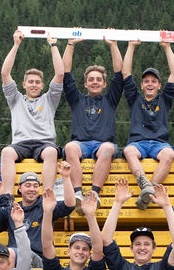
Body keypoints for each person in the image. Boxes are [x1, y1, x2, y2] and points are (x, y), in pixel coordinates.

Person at [62, 35, 124, 211]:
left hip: (102, 145)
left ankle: (95, 193)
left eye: (98, 79)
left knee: (108, 148)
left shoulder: (110, 100)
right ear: (86, 84)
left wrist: (113, 44)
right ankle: (78, 194)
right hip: (80, 145)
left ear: (104, 84)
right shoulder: (77, 99)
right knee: (69, 147)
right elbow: (66, 74)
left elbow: (119, 75)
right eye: (91, 79)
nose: (94, 82)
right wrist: (70, 44)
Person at [0, 29, 64, 195]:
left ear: (42, 85)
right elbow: (5, 73)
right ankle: (7, 197)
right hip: (21, 143)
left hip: (44, 143)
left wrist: (53, 45)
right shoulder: (15, 99)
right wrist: (16, 44)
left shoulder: (49, 99)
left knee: (51, 152)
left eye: (37, 82)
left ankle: (47, 194)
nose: (34, 85)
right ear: (24, 84)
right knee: (6, 152)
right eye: (30, 82)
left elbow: (60, 74)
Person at [121, 40, 174, 210]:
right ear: (141, 85)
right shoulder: (134, 98)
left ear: (159, 85)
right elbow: (125, 72)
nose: (150, 84)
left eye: (154, 81)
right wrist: (131, 46)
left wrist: (167, 47)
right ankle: (145, 185)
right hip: (138, 143)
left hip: (159, 144)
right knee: (128, 151)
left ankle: (149, 190)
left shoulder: (165, 99)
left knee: (169, 153)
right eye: (146, 81)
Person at [0, 161, 76, 267]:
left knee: (11, 253)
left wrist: (66, 177)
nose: (32, 189)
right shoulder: (12, 209)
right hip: (15, 261)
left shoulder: (46, 206)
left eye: (35, 186)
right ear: (20, 188)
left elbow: (70, 205)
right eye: (28, 185)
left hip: (39, 260)